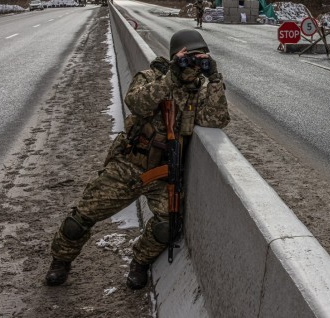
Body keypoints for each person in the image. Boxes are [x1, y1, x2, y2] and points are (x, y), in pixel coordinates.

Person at [45, 29, 230, 289]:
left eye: (200, 57)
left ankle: (139, 262)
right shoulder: (152, 77)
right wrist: (172, 76)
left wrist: (215, 79)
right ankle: (60, 261)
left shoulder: (198, 91)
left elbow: (216, 119)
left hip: (164, 172)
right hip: (129, 165)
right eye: (188, 56)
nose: (193, 63)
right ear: (175, 56)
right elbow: (137, 103)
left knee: (167, 226)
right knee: (81, 218)